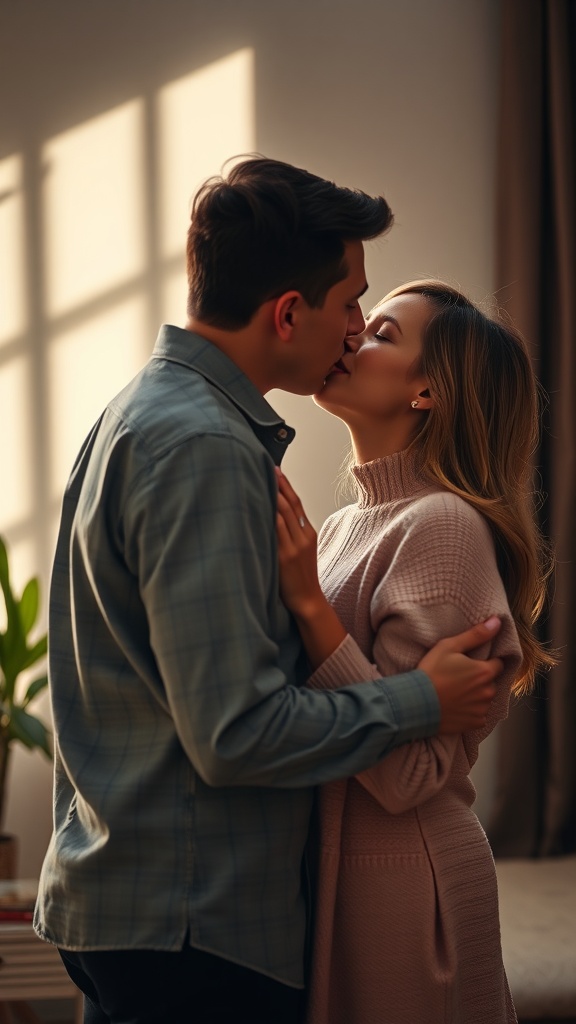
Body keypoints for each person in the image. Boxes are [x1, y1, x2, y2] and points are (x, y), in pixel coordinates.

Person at [34, 159, 503, 1024]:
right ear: (290, 313)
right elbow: (236, 732)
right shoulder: (204, 447)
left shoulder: (138, 414)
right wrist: (417, 701)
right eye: (352, 302)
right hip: (192, 925)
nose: (356, 329)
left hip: (148, 912)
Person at [276, 279, 555, 1024]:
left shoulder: (442, 527)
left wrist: (308, 604)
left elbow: (407, 777)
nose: (350, 337)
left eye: (382, 335)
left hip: (409, 888)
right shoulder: (339, 529)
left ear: (427, 391)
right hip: (346, 877)